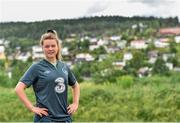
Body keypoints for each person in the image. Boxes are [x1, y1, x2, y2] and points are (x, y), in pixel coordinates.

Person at [15, 29, 80, 122]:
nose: (50, 49)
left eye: (53, 46)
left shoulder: (64, 66)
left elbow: (75, 85)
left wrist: (75, 103)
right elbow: (19, 88)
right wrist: (32, 108)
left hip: (65, 118)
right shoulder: (36, 67)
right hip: (46, 119)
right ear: (42, 48)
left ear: (58, 47)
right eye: (47, 46)